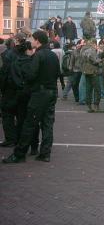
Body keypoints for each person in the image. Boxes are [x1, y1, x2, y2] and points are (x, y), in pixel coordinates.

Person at [3, 30, 60, 163]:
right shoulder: (52, 55)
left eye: (33, 39)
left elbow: (31, 75)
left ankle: (19, 154)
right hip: (51, 92)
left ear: (37, 41)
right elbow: (57, 72)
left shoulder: (38, 55)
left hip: (40, 93)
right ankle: (45, 153)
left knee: (29, 123)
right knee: (47, 123)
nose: (31, 41)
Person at [81, 39, 102, 113]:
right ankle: (96, 106)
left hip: (86, 72)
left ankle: (89, 106)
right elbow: (95, 60)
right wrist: (100, 60)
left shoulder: (84, 51)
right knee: (97, 89)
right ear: (94, 44)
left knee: (88, 89)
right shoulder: (92, 51)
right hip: (94, 72)